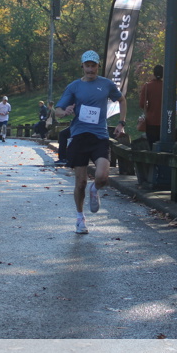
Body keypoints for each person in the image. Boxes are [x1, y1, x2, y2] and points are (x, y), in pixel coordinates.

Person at [55, 50, 126, 234]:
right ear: (83, 66)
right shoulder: (74, 86)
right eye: (87, 66)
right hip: (79, 136)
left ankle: (95, 189)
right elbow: (58, 110)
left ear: (98, 67)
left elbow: (122, 100)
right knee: (80, 183)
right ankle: (80, 218)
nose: (90, 69)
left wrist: (121, 123)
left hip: (99, 136)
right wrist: (64, 112)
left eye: (93, 66)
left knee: (102, 176)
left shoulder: (106, 84)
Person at [139, 65, 163, 146]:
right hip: (165, 121)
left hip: (151, 121)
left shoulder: (147, 86)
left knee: (152, 144)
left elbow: (142, 104)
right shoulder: (167, 86)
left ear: (154, 73)